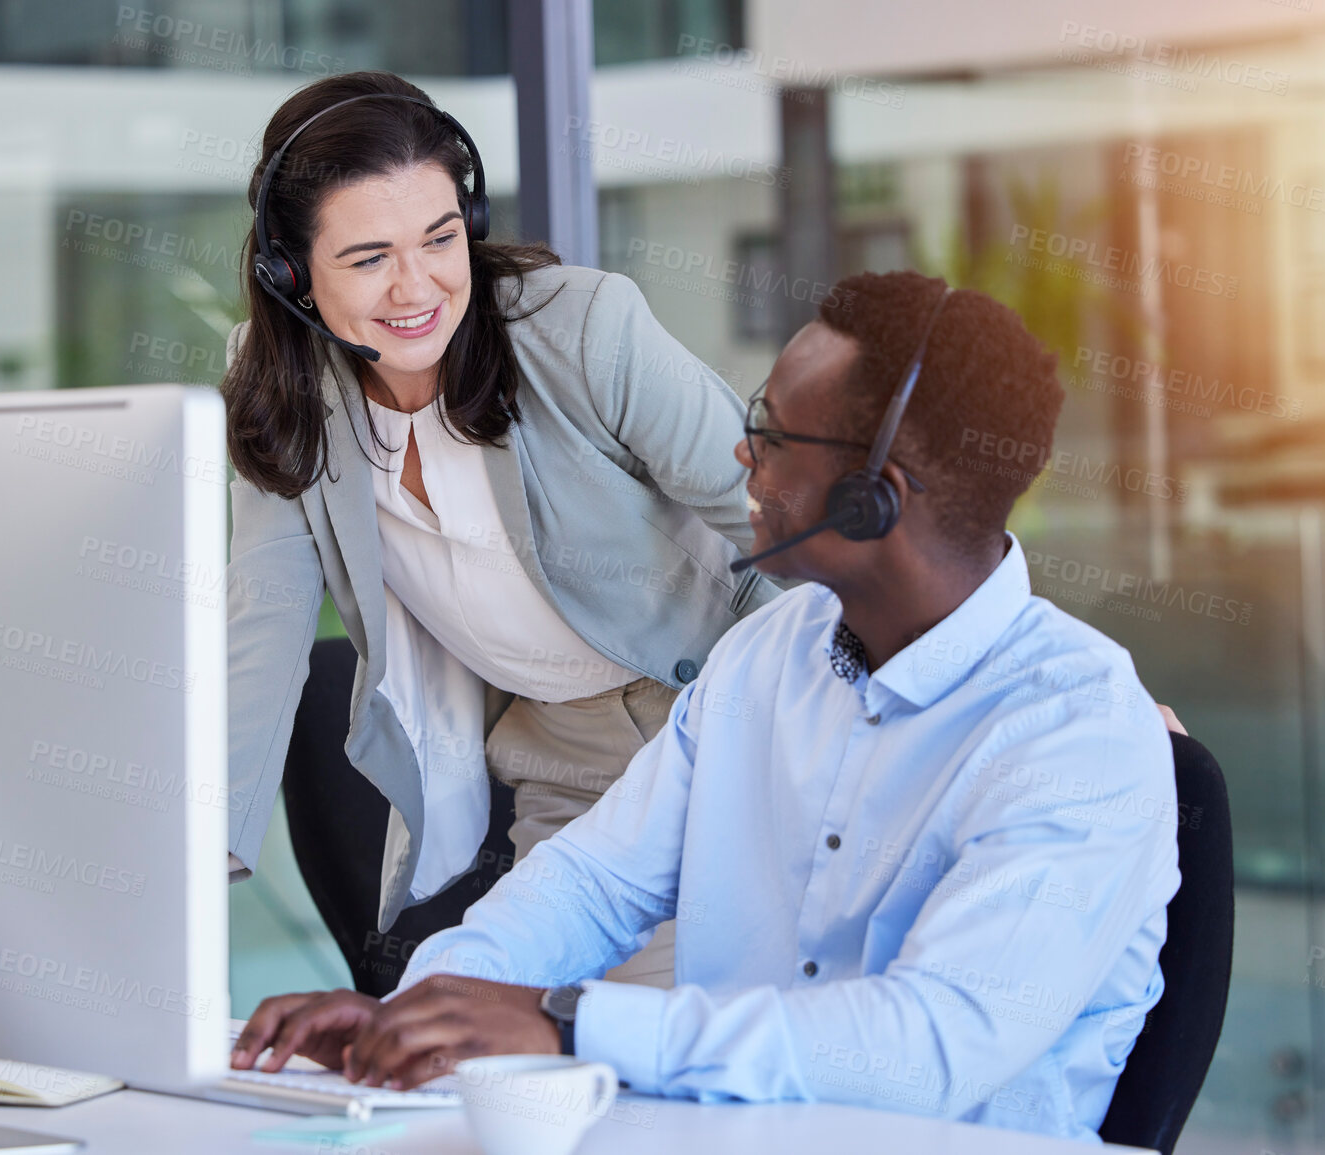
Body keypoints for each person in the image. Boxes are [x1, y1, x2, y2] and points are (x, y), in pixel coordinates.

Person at [230, 271, 1184, 1143]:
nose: (739, 451)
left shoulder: (1077, 732)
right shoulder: (767, 654)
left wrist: (567, 1021)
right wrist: (432, 1005)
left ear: (871, 499)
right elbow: (599, 880)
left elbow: (925, 1049)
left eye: (769, 431)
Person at [223, 70, 779, 991]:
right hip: (562, 761)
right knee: (537, 1058)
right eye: (367, 259)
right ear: (290, 274)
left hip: (723, 721)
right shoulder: (281, 387)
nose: (417, 287)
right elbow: (265, 617)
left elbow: (777, 523)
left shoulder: (582, 328)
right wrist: (205, 850)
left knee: (673, 1065)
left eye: (441, 239)